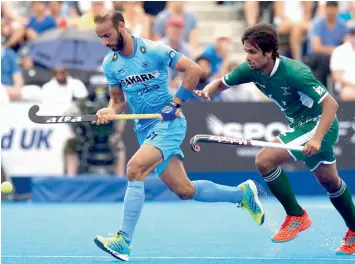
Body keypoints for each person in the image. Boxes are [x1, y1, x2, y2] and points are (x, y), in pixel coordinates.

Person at [92, 10, 265, 261]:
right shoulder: (111, 63)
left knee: (134, 169)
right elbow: (117, 101)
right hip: (145, 129)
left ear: (121, 27)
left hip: (169, 124)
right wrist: (109, 110)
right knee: (184, 191)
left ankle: (123, 241)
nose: (105, 42)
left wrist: (175, 104)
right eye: (100, 37)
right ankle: (243, 195)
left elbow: (193, 70)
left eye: (107, 35)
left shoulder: (153, 51)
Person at [195, 23, 355, 255]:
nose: (247, 57)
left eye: (252, 52)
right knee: (329, 181)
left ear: (268, 52)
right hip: (300, 126)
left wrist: (318, 139)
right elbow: (220, 82)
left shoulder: (295, 73)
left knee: (264, 160)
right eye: (246, 51)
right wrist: (209, 91)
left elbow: (331, 103)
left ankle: (296, 216)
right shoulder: (250, 69)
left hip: (319, 125)